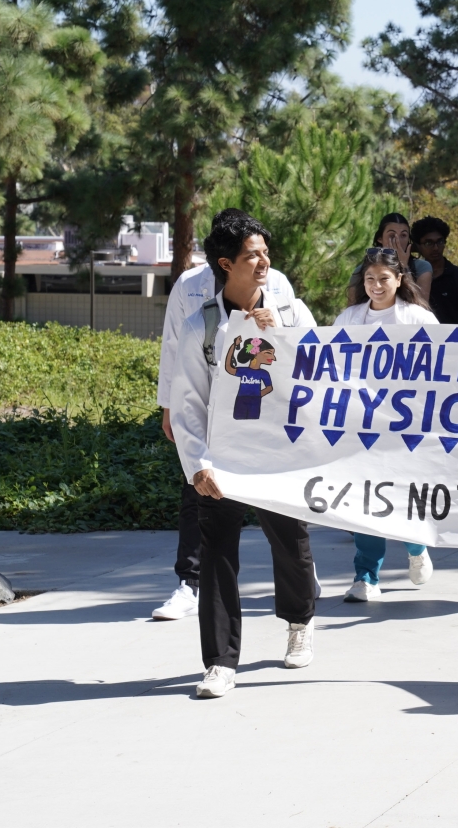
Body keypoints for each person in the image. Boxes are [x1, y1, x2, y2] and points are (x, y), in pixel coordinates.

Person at [171, 212, 320, 698]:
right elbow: (189, 401)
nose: (264, 262)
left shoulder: (291, 311)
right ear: (225, 264)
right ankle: (220, 662)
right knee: (216, 554)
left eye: (264, 252)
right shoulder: (202, 325)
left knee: (289, 541)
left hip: (277, 452)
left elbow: (322, 370)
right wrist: (198, 466)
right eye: (252, 255)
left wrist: (279, 332)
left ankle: (300, 622)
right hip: (223, 457)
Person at [152, 208, 297, 622]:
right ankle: (189, 582)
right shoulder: (190, 284)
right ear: (222, 256)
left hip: (265, 411)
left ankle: (298, 580)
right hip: (212, 412)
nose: (259, 258)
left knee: (283, 514)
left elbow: (299, 341)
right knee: (198, 491)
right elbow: (173, 344)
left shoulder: (276, 282)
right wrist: (169, 406)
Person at [334, 248, 440, 599]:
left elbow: (445, 367)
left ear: (399, 279)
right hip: (361, 425)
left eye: (383, 279)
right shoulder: (349, 318)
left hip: (407, 428)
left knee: (404, 496)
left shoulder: (420, 319)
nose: (376, 285)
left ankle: (415, 548)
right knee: (365, 500)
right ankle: (367, 577)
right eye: (369, 279)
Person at [348, 213, 433, 306]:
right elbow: (352, 307)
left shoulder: (422, 267)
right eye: (392, 235)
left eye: (403, 235)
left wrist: (403, 266)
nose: (398, 240)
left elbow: (421, 305)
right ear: (380, 238)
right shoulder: (363, 270)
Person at [411, 216, 458, 325]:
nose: (436, 248)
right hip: (420, 338)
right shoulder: (410, 276)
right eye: (428, 243)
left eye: (440, 242)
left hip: (455, 339)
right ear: (418, 246)